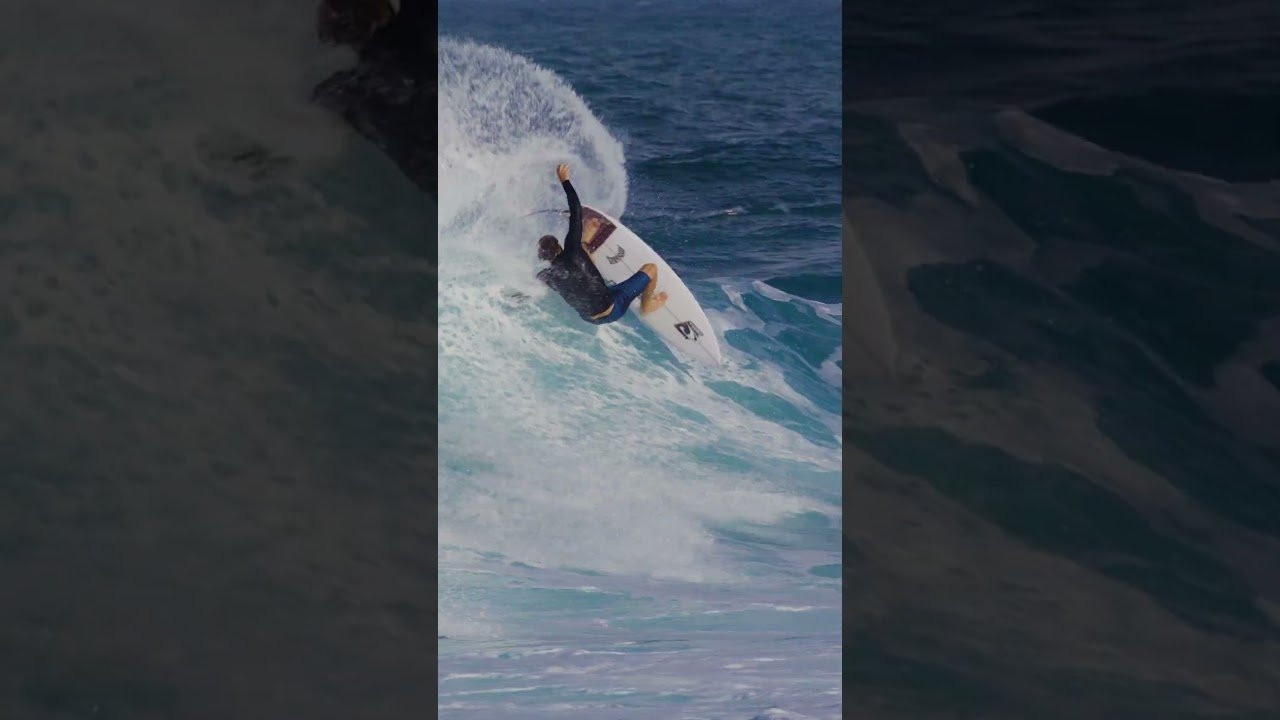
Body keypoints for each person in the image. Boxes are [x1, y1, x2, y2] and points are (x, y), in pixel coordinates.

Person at [537, 164, 667, 324]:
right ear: (558, 247)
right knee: (651, 269)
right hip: (613, 309)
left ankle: (587, 236)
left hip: (589, 317)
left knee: (582, 265)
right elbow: (576, 210)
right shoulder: (571, 249)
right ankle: (646, 307)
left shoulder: (546, 275)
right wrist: (565, 181)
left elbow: (529, 289)